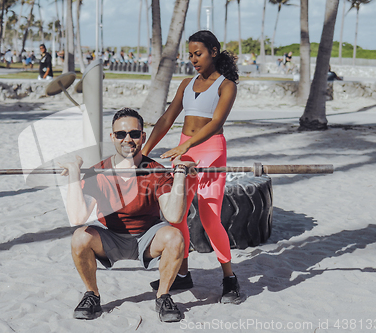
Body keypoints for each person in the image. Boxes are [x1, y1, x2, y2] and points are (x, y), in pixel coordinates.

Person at [59, 108, 196, 322]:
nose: (128, 139)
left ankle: (163, 296)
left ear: (143, 136)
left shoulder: (156, 170)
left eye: (134, 134)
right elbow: (77, 217)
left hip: (147, 237)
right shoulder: (99, 172)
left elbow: (174, 216)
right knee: (79, 237)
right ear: (113, 137)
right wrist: (75, 173)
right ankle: (92, 295)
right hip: (109, 236)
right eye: (121, 134)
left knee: (175, 237)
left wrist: (179, 173)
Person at [141, 30, 244, 304]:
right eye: (190, 54)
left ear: (213, 51)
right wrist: (144, 151)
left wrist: (187, 147)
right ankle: (183, 273)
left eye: (198, 53)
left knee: (210, 219)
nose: (193, 59)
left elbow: (216, 123)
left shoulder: (226, 85)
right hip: (184, 150)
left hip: (210, 152)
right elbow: (166, 118)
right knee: (176, 216)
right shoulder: (186, 83)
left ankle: (229, 277)